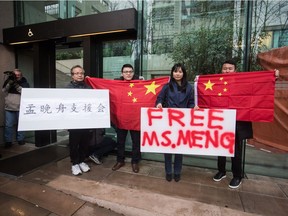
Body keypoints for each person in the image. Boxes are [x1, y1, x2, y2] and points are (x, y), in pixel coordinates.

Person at [212, 59, 253, 189]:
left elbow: (259, 85)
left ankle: (237, 175)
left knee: (235, 150)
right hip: (221, 121)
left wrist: (272, 76)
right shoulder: (216, 84)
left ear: (235, 70)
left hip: (237, 121)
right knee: (220, 147)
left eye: (230, 68)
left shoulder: (242, 83)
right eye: (225, 68)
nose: (227, 71)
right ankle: (222, 171)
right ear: (221, 70)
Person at [155, 63, 195, 182]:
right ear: (172, 73)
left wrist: (193, 108)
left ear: (184, 73)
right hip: (168, 120)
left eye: (180, 71)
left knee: (179, 148)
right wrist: (159, 104)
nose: (178, 74)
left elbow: (191, 102)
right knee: (167, 147)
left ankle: (177, 172)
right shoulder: (166, 87)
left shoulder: (189, 88)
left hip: (183, 121)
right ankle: (168, 171)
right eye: (175, 71)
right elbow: (159, 98)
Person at [112, 64, 142, 173]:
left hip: (135, 119)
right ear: (122, 73)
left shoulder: (140, 84)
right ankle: (120, 160)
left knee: (136, 142)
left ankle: (135, 162)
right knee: (120, 142)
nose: (128, 73)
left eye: (130, 71)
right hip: (121, 118)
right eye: (126, 72)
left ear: (133, 73)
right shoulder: (116, 84)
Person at [66, 65, 91, 176]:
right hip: (73, 122)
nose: (80, 75)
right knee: (74, 144)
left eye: (81, 73)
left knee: (84, 143)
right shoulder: (68, 89)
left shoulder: (88, 88)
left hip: (86, 121)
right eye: (77, 73)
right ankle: (75, 163)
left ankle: (81, 161)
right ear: (72, 76)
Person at [2, 69, 30, 148]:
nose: (16, 76)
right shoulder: (9, 81)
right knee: (8, 125)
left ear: (21, 75)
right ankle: (8, 141)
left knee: (21, 125)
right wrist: (9, 83)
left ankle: (21, 139)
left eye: (18, 75)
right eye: (15, 75)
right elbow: (4, 90)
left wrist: (16, 85)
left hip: (20, 107)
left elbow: (24, 92)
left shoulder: (24, 82)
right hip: (9, 107)